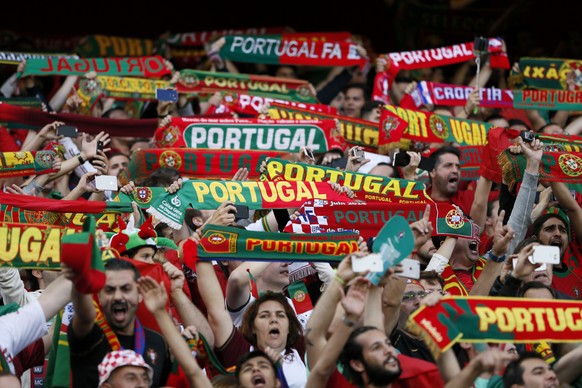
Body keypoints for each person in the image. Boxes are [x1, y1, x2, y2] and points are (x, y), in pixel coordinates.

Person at [65, 258, 171, 387]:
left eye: (126, 289)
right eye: (109, 290)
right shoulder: (88, 337)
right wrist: (79, 281)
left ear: (139, 295)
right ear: (99, 296)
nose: (118, 297)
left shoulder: (157, 341)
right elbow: (85, 316)